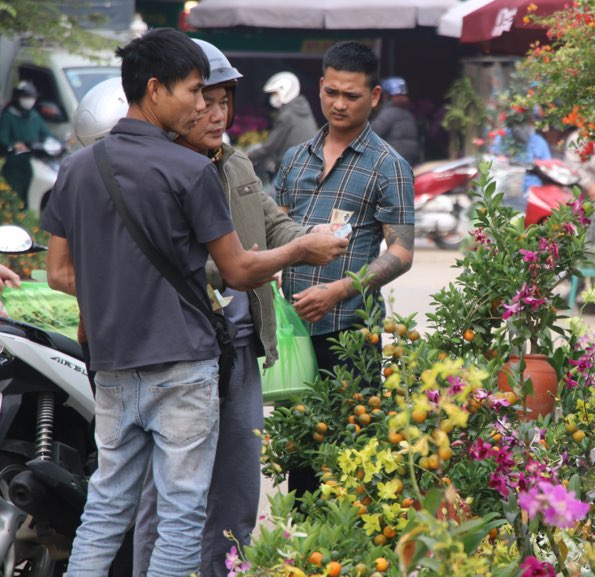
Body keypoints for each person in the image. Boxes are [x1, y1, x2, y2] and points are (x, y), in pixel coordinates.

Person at [40, 28, 347, 577]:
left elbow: (60, 272)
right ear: (155, 90)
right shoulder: (186, 171)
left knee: (108, 507)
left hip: (113, 363)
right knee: (180, 513)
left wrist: (116, 292)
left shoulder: (77, 169)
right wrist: (303, 247)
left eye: (215, 96)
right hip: (182, 360)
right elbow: (236, 269)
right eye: (195, 92)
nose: (205, 105)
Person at [130, 39, 341, 577]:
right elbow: (194, 264)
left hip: (241, 347)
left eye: (225, 101)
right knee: (172, 494)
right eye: (206, 100)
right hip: (182, 351)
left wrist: (309, 238)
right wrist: (290, 252)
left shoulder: (236, 161)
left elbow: (268, 222)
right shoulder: (163, 170)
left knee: (239, 488)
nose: (217, 114)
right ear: (177, 99)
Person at [275, 41, 415, 496]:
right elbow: (273, 232)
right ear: (319, 87)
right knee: (300, 456)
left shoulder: (389, 166)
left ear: (374, 97)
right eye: (332, 92)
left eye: (352, 95)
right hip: (290, 334)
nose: (339, 103)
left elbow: (402, 252)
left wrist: (340, 290)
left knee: (348, 456)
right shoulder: (295, 160)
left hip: (349, 335)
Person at [247, 71, 318, 181]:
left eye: (274, 94)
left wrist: (248, 155)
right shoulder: (303, 109)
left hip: (291, 169)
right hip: (307, 166)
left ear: (284, 91)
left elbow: (269, 147)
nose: (272, 98)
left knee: (269, 196)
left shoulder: (287, 115)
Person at [0, 80, 52, 208]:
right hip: (14, 164)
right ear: (18, 97)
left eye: (32, 97)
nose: (30, 100)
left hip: (33, 162)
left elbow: (47, 134)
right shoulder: (9, 115)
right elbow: (3, 138)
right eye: (26, 97)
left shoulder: (34, 116)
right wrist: (14, 145)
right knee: (14, 199)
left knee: (30, 198)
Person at [370, 76, 419, 165]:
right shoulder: (408, 114)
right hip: (408, 160)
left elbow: (371, 133)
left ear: (386, 96)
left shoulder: (389, 113)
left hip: (393, 160)